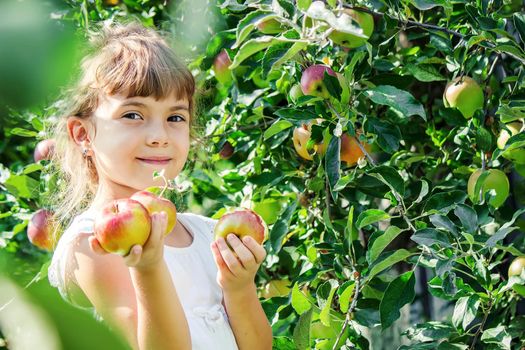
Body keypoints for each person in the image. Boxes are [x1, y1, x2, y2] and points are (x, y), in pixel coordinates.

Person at [47, 20, 272, 350]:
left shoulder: (208, 234)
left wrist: (239, 288)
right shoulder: (95, 244)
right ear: (83, 134)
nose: (159, 137)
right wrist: (148, 269)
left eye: (175, 118)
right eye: (133, 115)